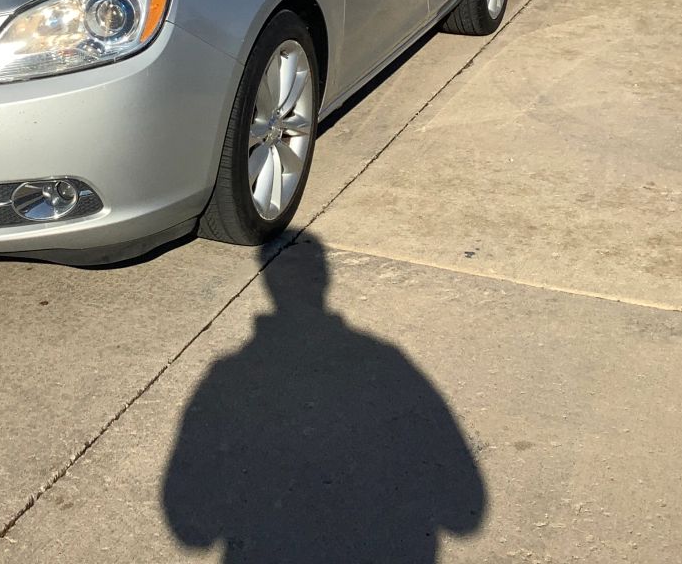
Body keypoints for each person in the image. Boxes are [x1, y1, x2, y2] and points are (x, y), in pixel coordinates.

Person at [162, 237, 486, 563]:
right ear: (326, 281)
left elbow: (189, 527)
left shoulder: (228, 374)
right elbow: (465, 513)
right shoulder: (386, 360)